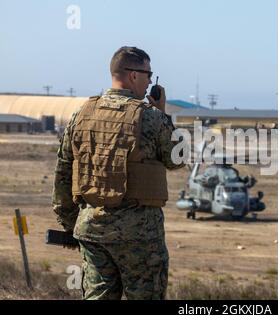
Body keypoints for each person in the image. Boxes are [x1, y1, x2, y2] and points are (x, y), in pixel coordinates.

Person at [52, 46, 185, 300]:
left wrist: (72, 225)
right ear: (133, 75)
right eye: (148, 74)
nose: (150, 81)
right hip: (140, 235)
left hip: (91, 231)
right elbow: (177, 159)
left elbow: (63, 174)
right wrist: (163, 114)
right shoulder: (151, 117)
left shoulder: (81, 114)